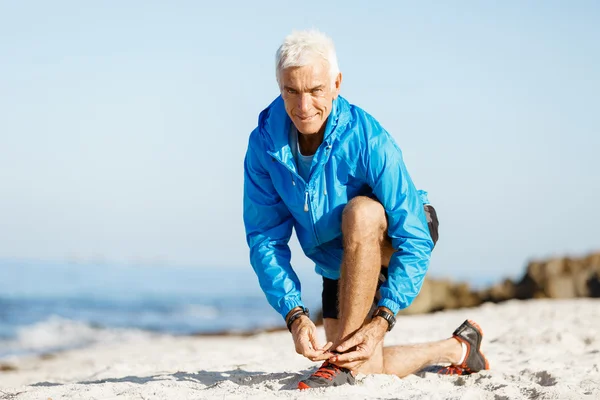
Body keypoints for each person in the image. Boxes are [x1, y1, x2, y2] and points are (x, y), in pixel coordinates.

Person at [243, 30, 489, 389]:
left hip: (400, 230)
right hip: (339, 255)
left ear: (336, 83)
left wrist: (383, 318)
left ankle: (348, 359)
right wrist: (294, 314)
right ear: (279, 85)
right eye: (291, 91)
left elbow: (414, 236)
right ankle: (459, 349)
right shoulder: (264, 144)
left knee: (360, 212)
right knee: (361, 361)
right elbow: (264, 236)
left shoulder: (368, 139)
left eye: (315, 90)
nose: (303, 106)